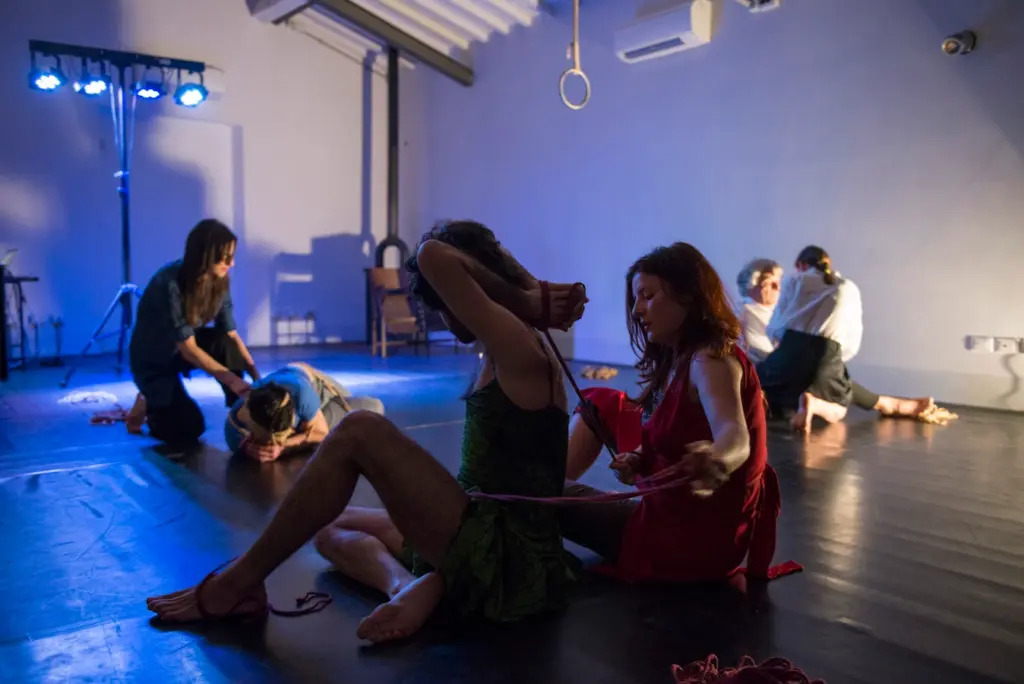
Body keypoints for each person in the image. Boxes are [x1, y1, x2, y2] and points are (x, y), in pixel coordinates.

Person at [146, 220, 588, 644]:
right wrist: (523, 288)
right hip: (482, 528)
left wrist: (527, 297)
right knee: (325, 525)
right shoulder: (514, 341)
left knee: (359, 429)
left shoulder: (516, 342)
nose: (449, 325)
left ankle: (236, 585)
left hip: (503, 557)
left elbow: (434, 255)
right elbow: (483, 253)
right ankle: (406, 584)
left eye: (443, 309)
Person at [560, 243, 799, 585]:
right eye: (636, 299)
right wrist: (640, 458)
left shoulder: (709, 360)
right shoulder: (684, 358)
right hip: (692, 537)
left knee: (545, 492)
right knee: (601, 406)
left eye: (648, 295)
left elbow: (734, 435)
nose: (637, 310)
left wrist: (716, 459)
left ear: (687, 296)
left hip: (682, 547)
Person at [752, 248, 954, 432]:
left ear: (801, 266)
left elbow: (776, 328)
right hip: (826, 355)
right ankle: (818, 404)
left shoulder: (794, 282)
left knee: (768, 385)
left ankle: (896, 405)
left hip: (788, 353)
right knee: (840, 404)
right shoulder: (849, 288)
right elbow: (850, 344)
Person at [127, 219, 259, 446]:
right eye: (225, 257)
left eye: (232, 256)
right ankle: (149, 399)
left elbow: (230, 334)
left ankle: (241, 412)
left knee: (222, 344)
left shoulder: (220, 280)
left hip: (183, 350)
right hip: (154, 361)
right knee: (189, 428)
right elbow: (187, 349)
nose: (232, 263)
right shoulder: (168, 283)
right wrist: (231, 379)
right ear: (205, 255)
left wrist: (257, 380)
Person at [225, 362, 385, 462]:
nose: (269, 444)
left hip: (319, 389)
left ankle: (313, 419)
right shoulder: (236, 427)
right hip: (297, 395)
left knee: (374, 408)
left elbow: (320, 433)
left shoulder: (301, 394)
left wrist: (284, 447)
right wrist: (249, 451)